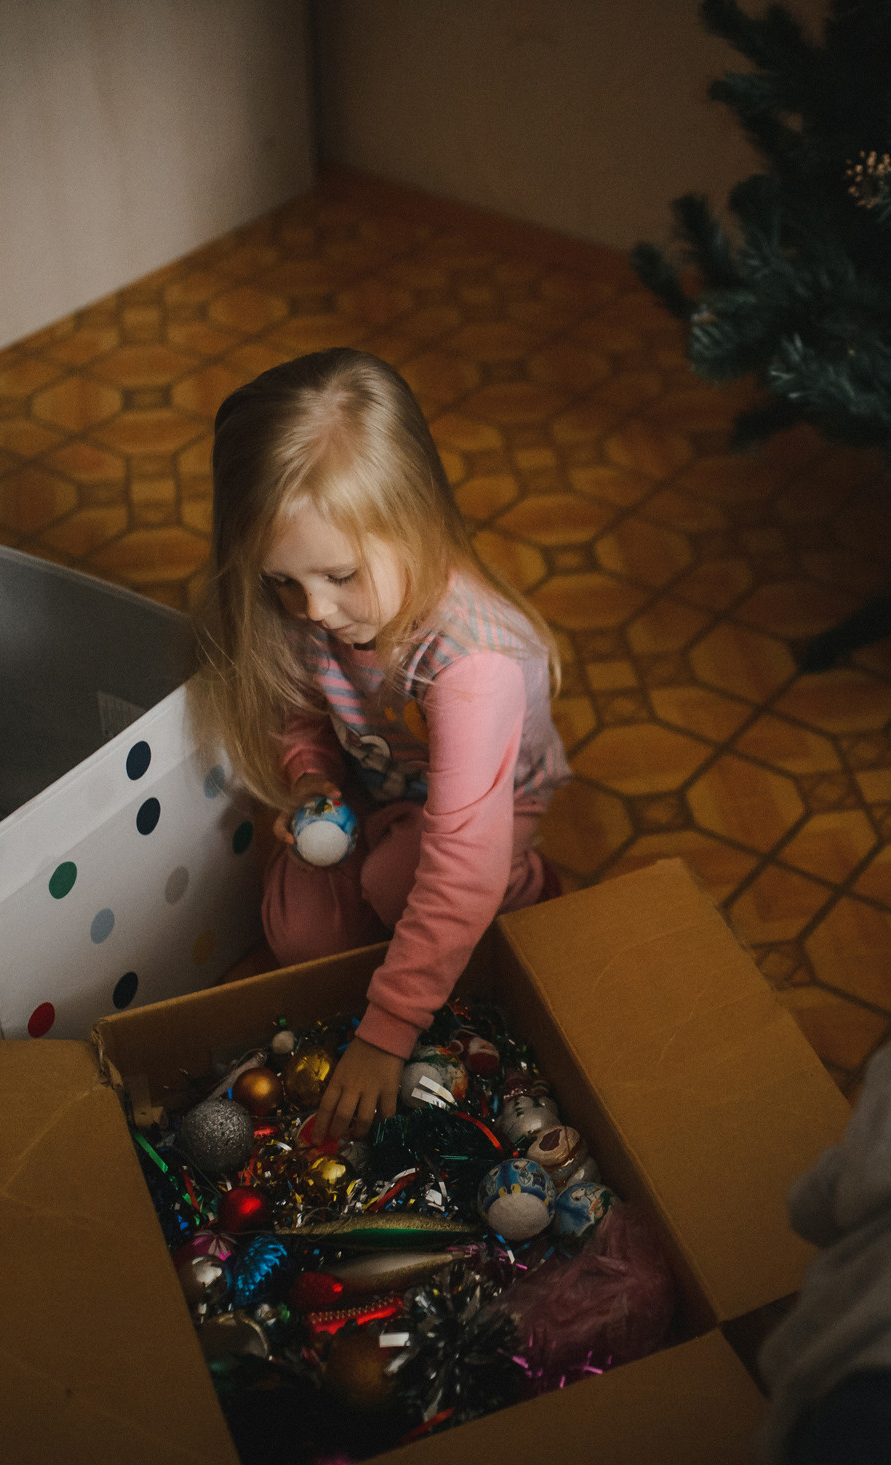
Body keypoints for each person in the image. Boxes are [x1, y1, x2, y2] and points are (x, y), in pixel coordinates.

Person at [193, 349, 569, 1139]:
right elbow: (304, 711)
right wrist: (309, 780)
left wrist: (384, 1034)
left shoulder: (476, 665)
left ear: (416, 520)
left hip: (484, 811)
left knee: (408, 886)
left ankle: (528, 883)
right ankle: (405, 913)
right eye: (283, 583)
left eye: (339, 576)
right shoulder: (306, 607)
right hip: (379, 784)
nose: (314, 609)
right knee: (299, 936)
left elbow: (459, 864)